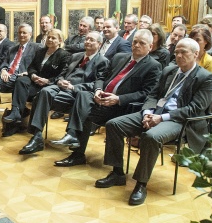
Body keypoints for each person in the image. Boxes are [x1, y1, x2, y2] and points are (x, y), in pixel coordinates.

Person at [96, 38, 212, 206]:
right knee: (114, 124)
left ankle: (141, 184)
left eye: (184, 52)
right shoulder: (169, 70)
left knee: (151, 137)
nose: (179, 56)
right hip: (154, 113)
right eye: (177, 52)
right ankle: (117, 173)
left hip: (180, 120)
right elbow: (153, 95)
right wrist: (147, 112)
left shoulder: (205, 77)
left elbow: (195, 108)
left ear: (196, 54)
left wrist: (162, 118)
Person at [50, 30, 162, 166]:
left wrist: (118, 98)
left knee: (83, 110)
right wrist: (97, 90)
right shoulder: (120, 57)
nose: (136, 45)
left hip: (121, 107)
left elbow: (146, 93)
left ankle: (76, 149)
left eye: (142, 43)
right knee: (82, 95)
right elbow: (101, 77)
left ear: (150, 47)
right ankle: (74, 139)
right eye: (135, 42)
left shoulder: (153, 66)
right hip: (101, 98)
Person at [18, 31, 108, 155]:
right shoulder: (76, 56)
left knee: (40, 96)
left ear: (99, 43)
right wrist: (60, 81)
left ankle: (38, 137)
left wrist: (73, 87)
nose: (87, 42)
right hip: (62, 87)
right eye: (86, 39)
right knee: (44, 92)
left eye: (91, 40)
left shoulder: (102, 61)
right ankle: (37, 136)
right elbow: (62, 73)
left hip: (77, 93)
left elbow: (97, 83)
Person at [2, 28, 71, 134]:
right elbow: (31, 67)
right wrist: (33, 75)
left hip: (48, 86)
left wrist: (47, 81)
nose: (50, 39)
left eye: (53, 38)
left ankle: (16, 121)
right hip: (35, 81)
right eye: (48, 37)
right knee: (21, 80)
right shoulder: (40, 51)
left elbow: (62, 75)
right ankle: (16, 112)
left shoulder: (64, 55)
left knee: (22, 92)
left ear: (60, 40)